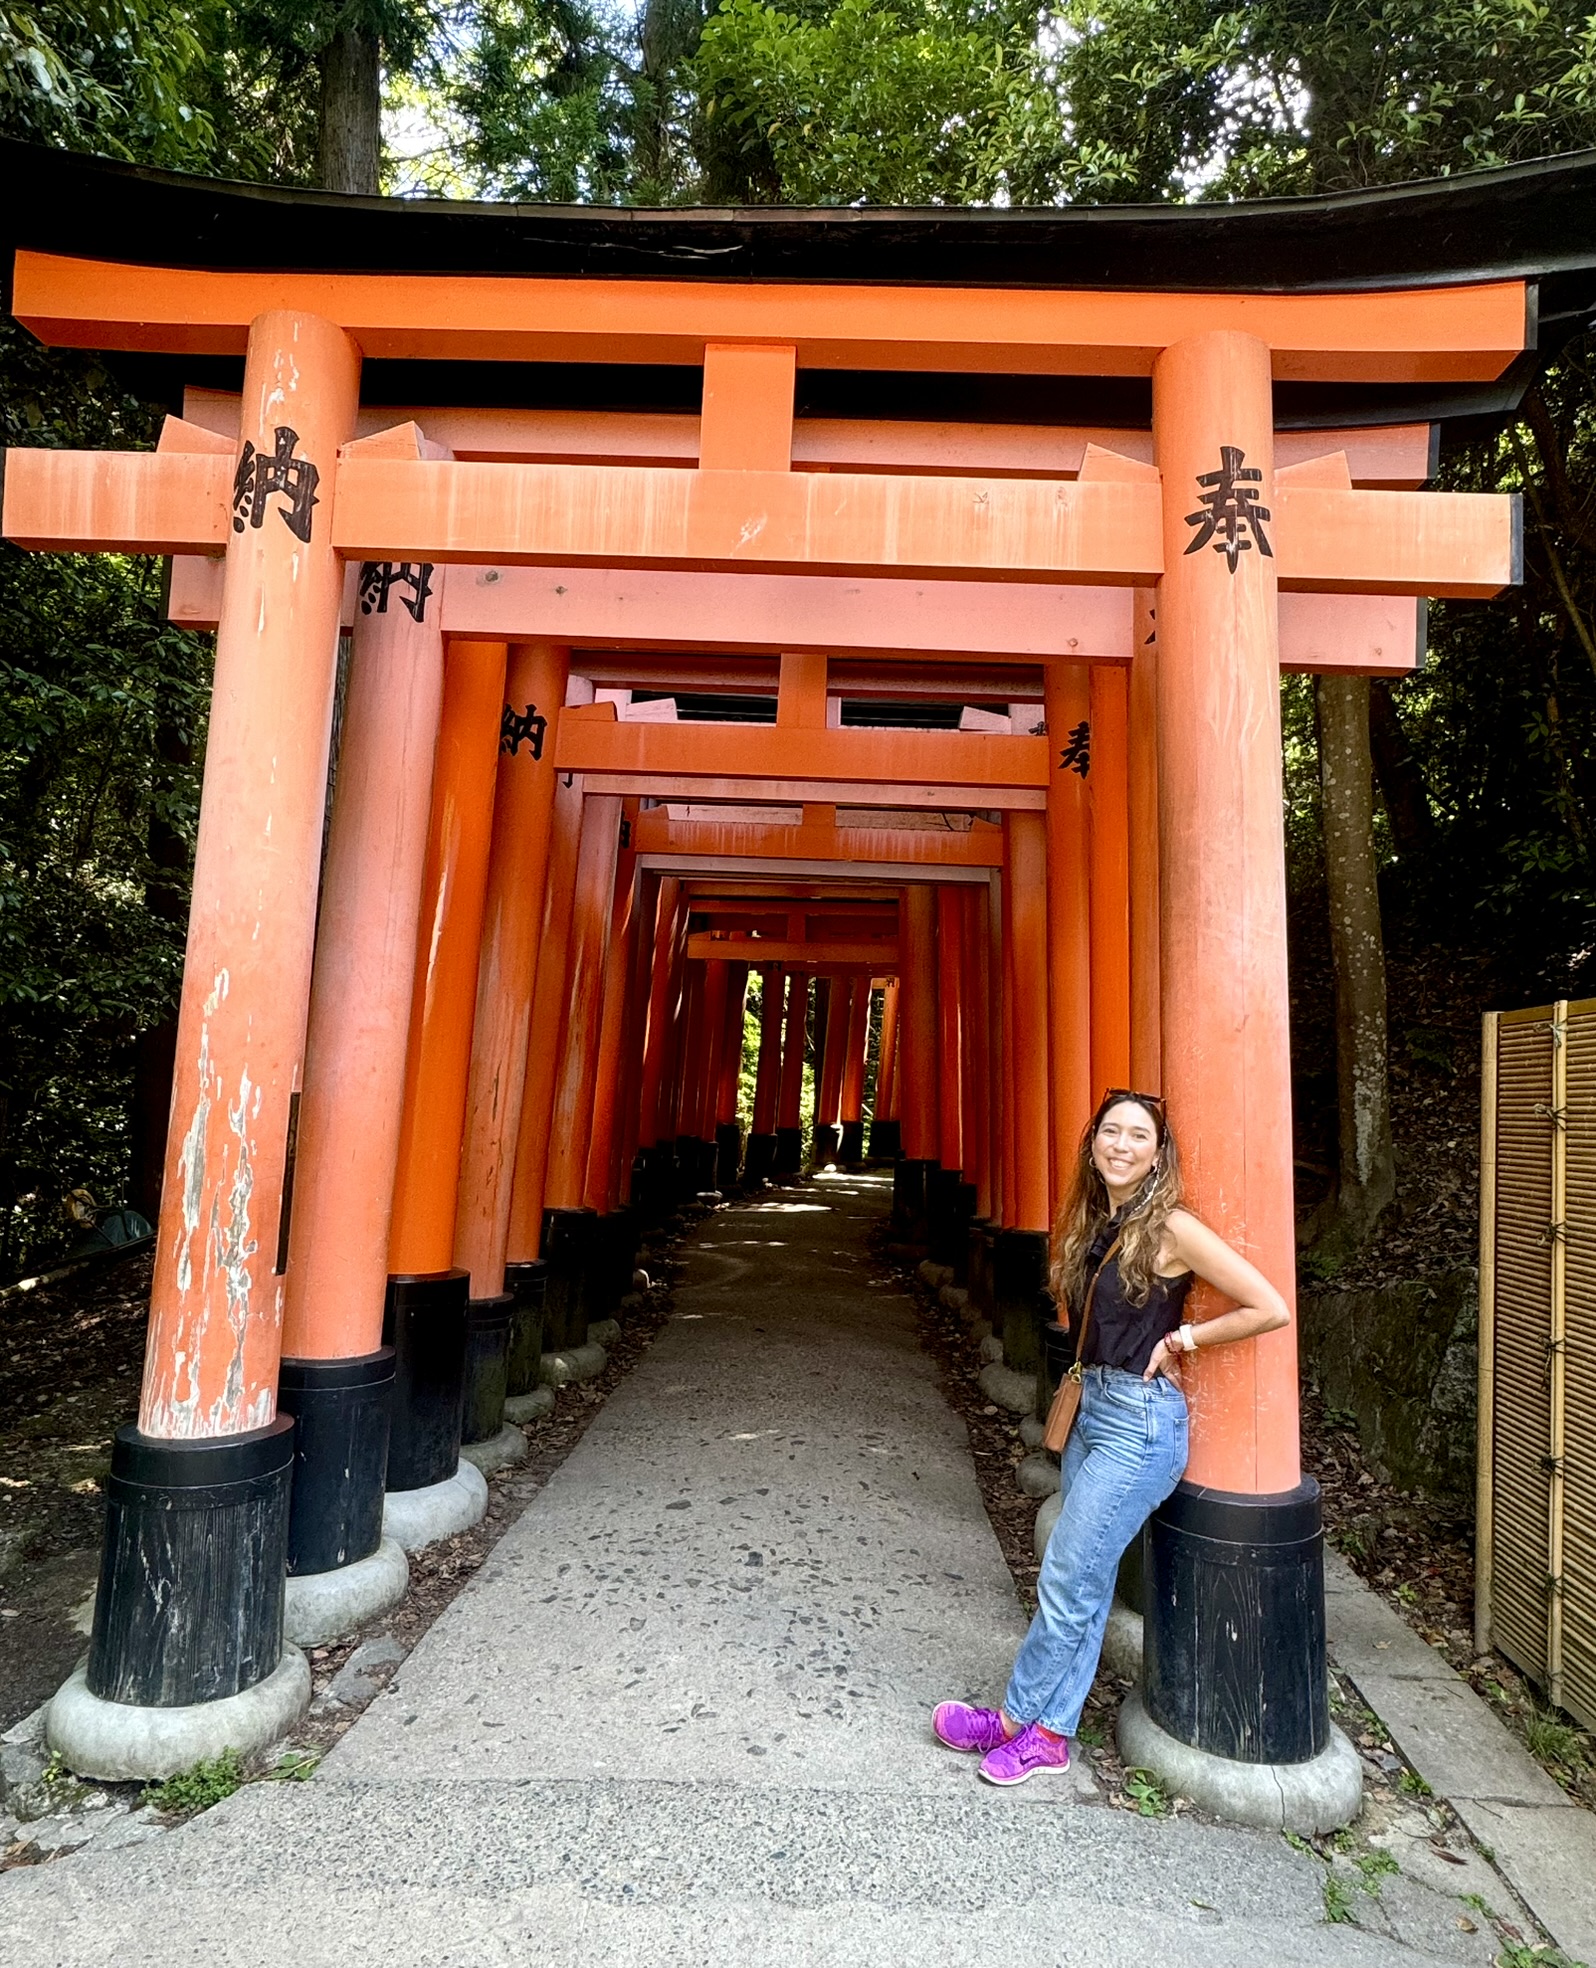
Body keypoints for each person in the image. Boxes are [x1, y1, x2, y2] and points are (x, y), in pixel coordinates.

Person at [932, 1089, 1291, 1786]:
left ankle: (1013, 1721)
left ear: (1160, 1155)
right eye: (1110, 1132)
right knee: (1085, 1584)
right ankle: (1052, 1733)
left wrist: (1186, 1336)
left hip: (1139, 1426)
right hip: (1096, 1410)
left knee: (1066, 1578)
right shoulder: (1102, 1219)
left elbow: (1268, 1306)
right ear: (1093, 1142)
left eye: (1138, 1136)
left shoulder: (1171, 1229)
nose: (1121, 1145)